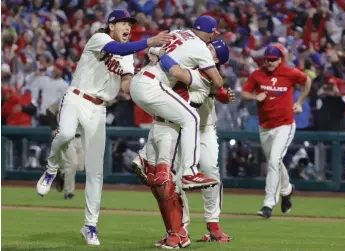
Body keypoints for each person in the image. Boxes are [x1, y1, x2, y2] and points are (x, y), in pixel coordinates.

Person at [35, 9, 171, 246]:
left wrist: (150, 69)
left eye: (130, 24)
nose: (128, 27)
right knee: (65, 133)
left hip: (99, 109)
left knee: (95, 171)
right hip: (77, 97)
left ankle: (90, 226)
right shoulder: (100, 39)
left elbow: (127, 88)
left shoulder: (128, 56)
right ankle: (51, 167)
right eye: (124, 23)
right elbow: (118, 49)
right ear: (111, 26)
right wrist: (148, 42)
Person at [132, 39, 233, 248]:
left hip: (201, 127)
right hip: (178, 127)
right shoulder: (192, 60)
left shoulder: (205, 75)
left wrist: (158, 52)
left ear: (214, 58)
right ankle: (180, 230)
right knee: (173, 180)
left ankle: (212, 223)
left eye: (211, 48)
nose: (206, 47)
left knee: (210, 171)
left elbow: (179, 74)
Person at [129, 15, 224, 191]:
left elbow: (151, 51)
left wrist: (157, 53)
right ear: (209, 32)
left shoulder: (178, 32)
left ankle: (145, 158)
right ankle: (189, 172)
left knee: (167, 119)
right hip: (152, 85)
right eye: (213, 33)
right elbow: (218, 82)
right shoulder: (201, 49)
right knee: (192, 118)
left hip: (139, 81)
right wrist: (218, 85)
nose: (213, 37)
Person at [241, 44, 312, 218]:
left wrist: (299, 102)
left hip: (285, 124)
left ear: (281, 59)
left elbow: (307, 81)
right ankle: (287, 190)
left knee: (273, 161)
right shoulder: (258, 74)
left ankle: (268, 204)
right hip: (265, 126)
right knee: (276, 163)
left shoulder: (290, 73)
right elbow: (244, 93)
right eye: (268, 59)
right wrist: (254, 96)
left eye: (274, 59)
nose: (270, 62)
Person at [46, 97, 84, 200]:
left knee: (80, 167)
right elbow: (49, 110)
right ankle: (69, 193)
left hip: (81, 137)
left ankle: (62, 172)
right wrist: (53, 127)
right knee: (72, 164)